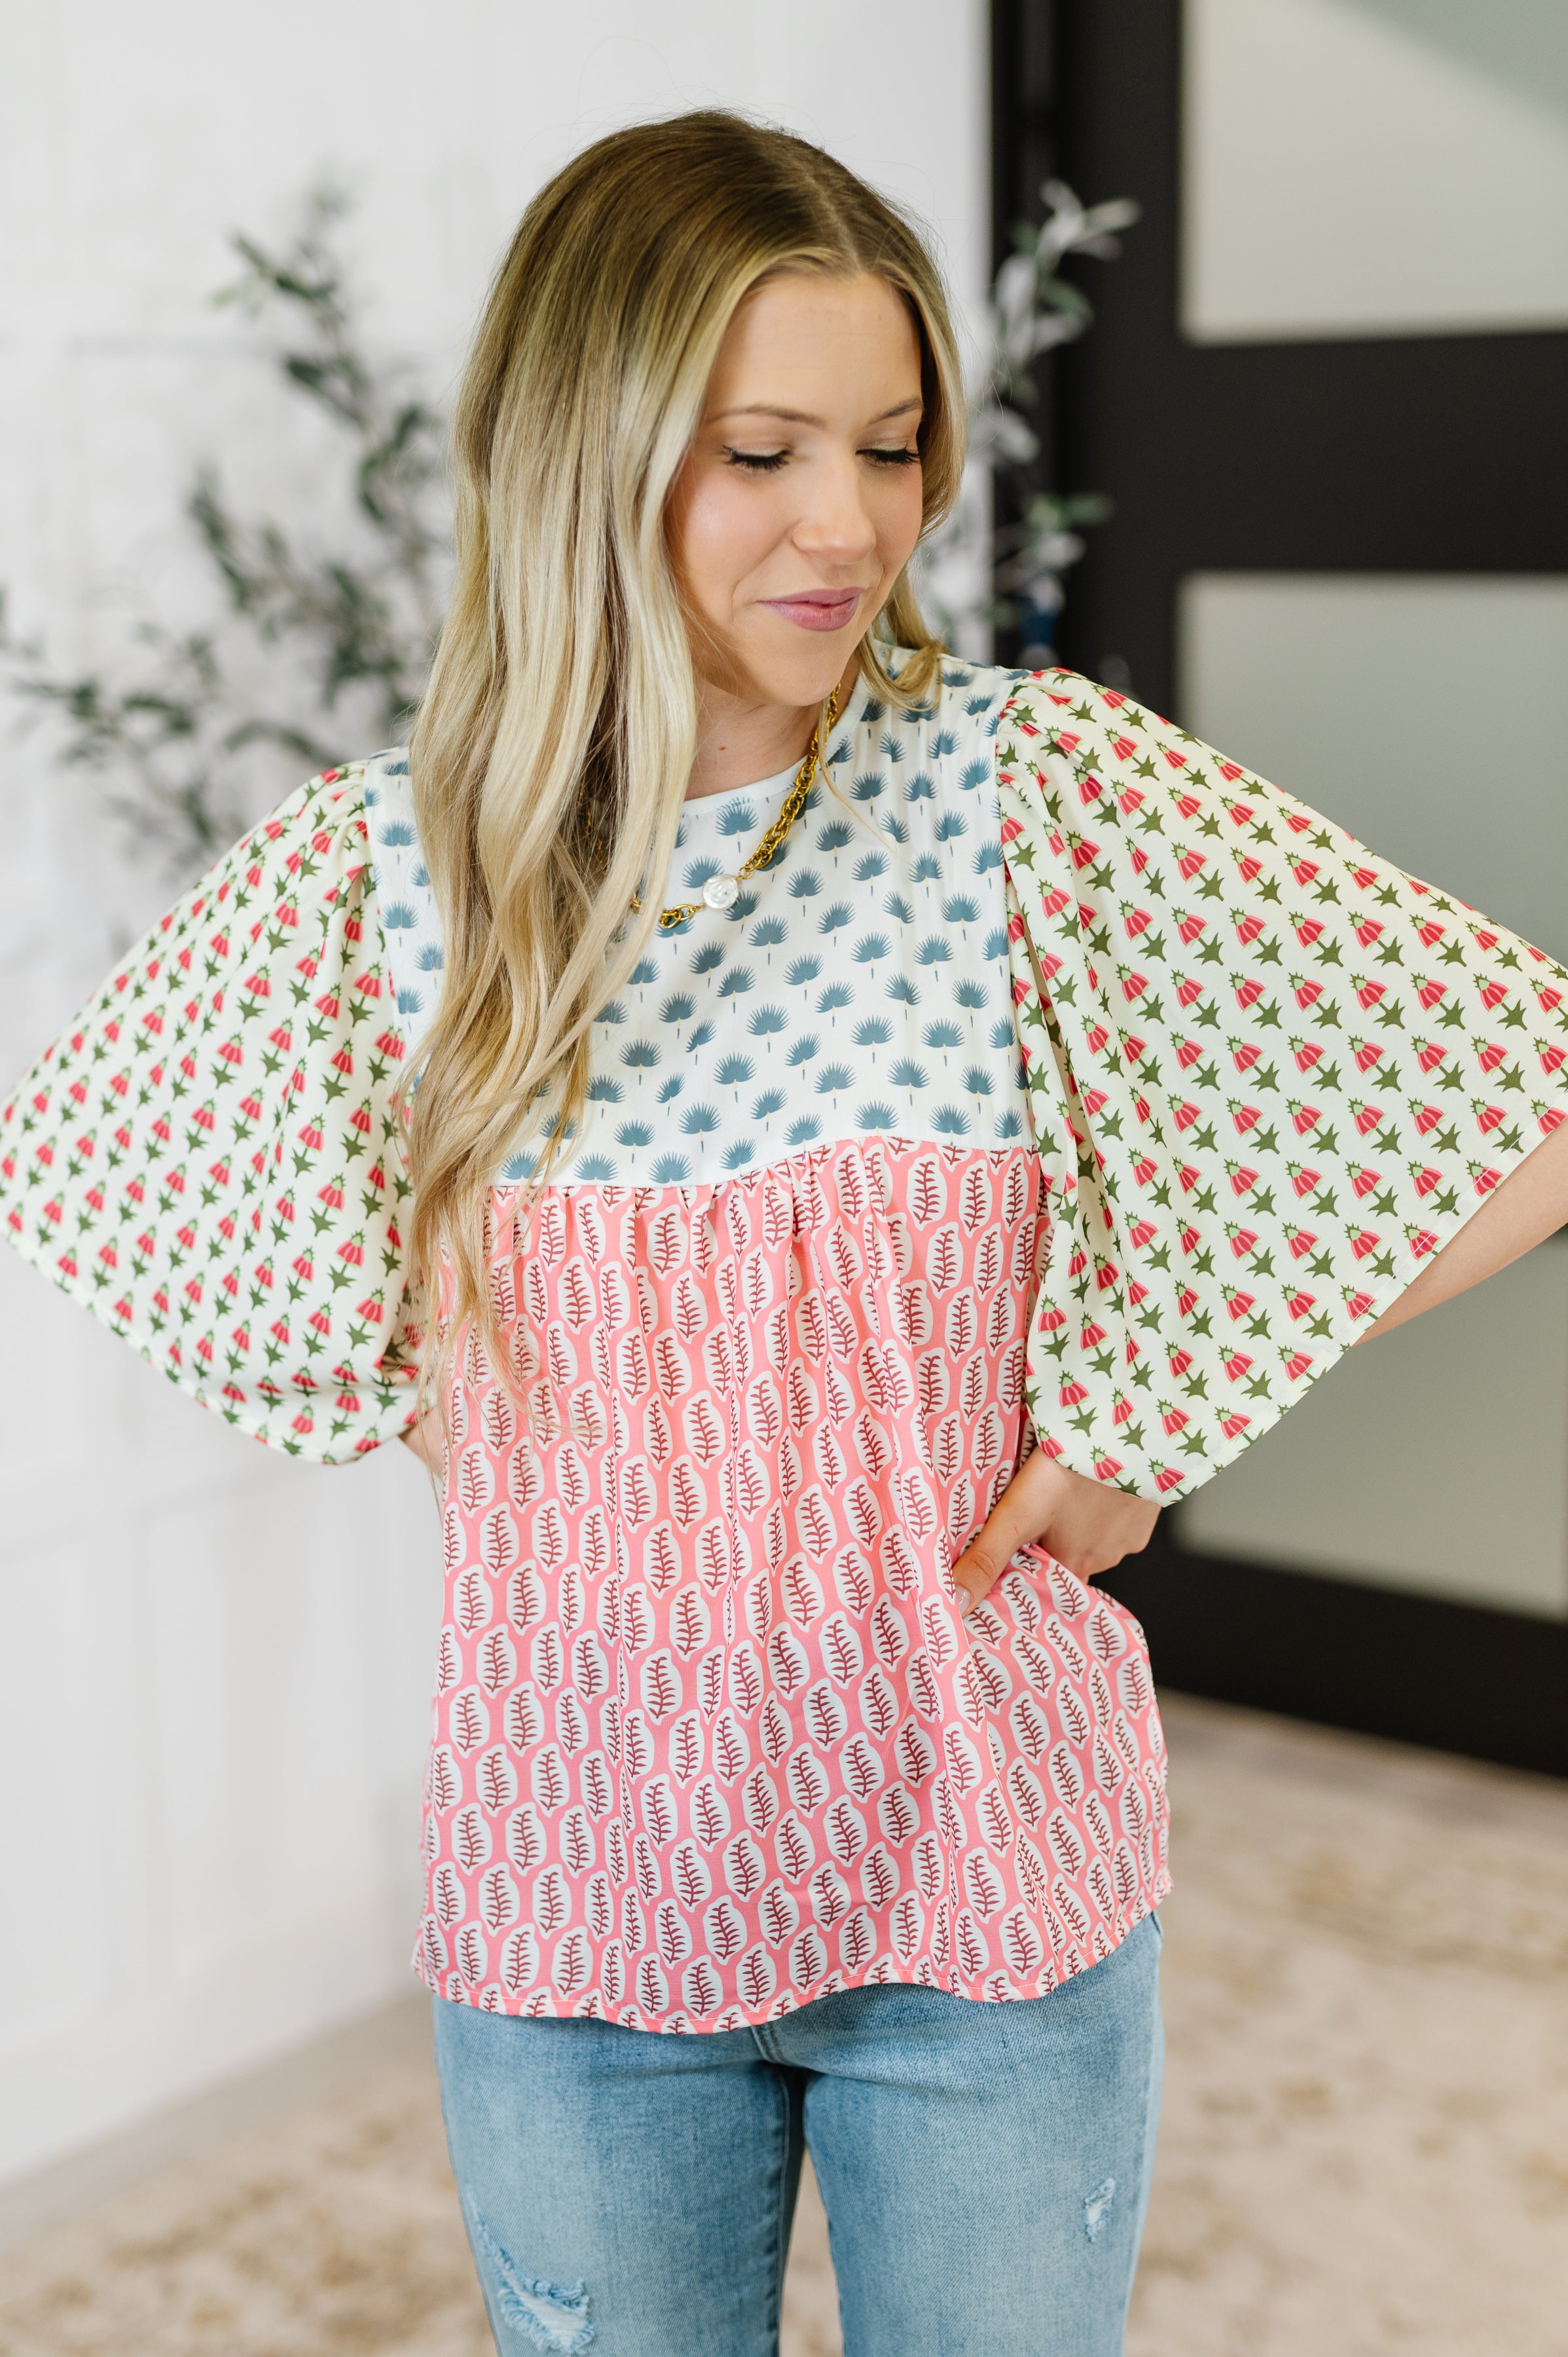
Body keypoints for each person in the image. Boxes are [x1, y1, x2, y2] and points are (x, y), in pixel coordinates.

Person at [5, 109, 1568, 2357]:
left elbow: (1509, 1102)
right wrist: (481, 1422)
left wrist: (1148, 1411)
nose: (849, 522)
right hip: (578, 1912)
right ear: (581, 458)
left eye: (891, 445)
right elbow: (95, 1170)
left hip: (987, 1898)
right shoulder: (375, 884)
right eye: (760, 453)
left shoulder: (1030, 794)